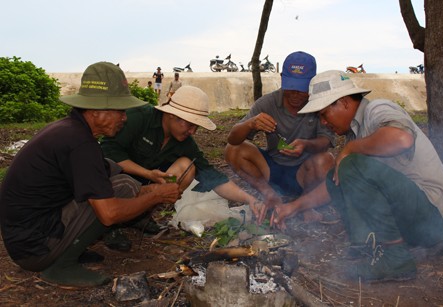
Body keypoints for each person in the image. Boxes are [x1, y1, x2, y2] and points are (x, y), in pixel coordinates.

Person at [0, 62, 182, 288]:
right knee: (118, 194)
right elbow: (109, 214)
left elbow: (107, 169)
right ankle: (60, 265)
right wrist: (155, 197)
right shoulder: (80, 143)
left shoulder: (70, 131)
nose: (125, 118)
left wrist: (150, 187)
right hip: (35, 248)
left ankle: (70, 250)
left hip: (28, 237)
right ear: (96, 112)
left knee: (124, 184)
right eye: (120, 111)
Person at [274, 70, 443, 282]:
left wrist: (351, 149)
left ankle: (395, 258)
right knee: (337, 175)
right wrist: (294, 207)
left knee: (351, 164)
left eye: (323, 114)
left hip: (433, 216)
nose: (323, 122)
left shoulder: (377, 109)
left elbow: (401, 138)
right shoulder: (355, 131)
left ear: (343, 102)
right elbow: (335, 182)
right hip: (412, 217)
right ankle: (369, 247)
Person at [100, 85, 260, 226]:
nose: (192, 132)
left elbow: (213, 177)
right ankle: (114, 225)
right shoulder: (139, 117)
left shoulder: (186, 143)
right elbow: (109, 152)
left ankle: (142, 213)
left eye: (196, 127)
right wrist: (148, 174)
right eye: (190, 125)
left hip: (147, 187)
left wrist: (250, 199)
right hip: (116, 183)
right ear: (171, 115)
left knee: (186, 166)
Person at [224, 51, 336, 225]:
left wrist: (305, 145)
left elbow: (326, 141)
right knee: (234, 150)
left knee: (327, 160)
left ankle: (305, 204)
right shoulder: (268, 103)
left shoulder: (319, 103)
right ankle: (270, 195)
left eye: (302, 89)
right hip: (272, 170)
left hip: (304, 173)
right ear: (283, 80)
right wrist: (251, 124)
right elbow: (233, 140)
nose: (295, 94)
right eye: (291, 87)